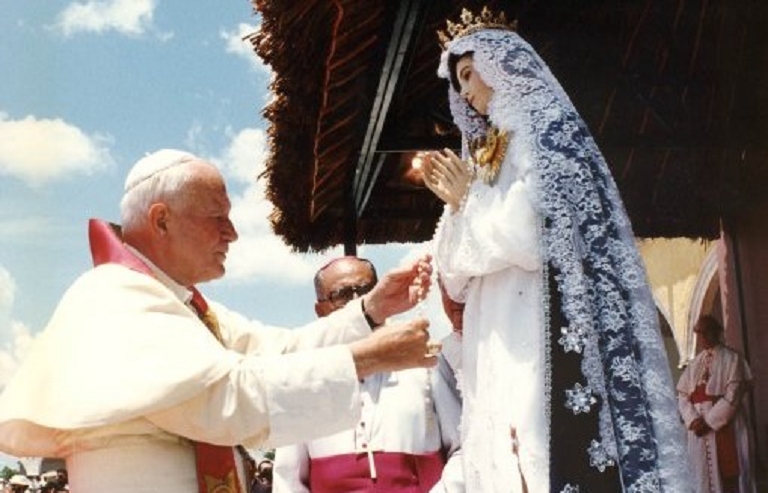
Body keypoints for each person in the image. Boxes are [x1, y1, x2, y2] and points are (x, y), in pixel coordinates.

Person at [0, 149, 437, 493]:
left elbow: (274, 351)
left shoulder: (181, 304)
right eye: (217, 217)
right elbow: (227, 399)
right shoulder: (117, 296)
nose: (232, 232)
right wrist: (366, 359)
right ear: (161, 220)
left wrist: (369, 311)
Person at [420, 7, 691, 492]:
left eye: (467, 74)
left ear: (498, 63)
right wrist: (462, 208)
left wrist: (469, 203)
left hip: (544, 323)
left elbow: (532, 236)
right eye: (457, 80)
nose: (464, 92)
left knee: (545, 446)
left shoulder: (545, 134)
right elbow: (454, 269)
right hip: (495, 333)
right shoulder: (482, 154)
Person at [272, 257, 463, 492]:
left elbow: (464, 448)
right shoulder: (301, 380)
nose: (356, 302)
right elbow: (288, 480)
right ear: (320, 310)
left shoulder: (423, 360)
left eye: (364, 291)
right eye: (341, 295)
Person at [677, 315, 756, 493]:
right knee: (702, 478)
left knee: (729, 478)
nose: (702, 338)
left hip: (724, 426)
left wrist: (708, 421)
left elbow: (733, 394)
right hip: (698, 429)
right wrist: (692, 420)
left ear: (716, 332)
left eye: (705, 332)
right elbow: (682, 394)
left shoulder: (733, 359)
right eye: (698, 333)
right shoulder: (695, 364)